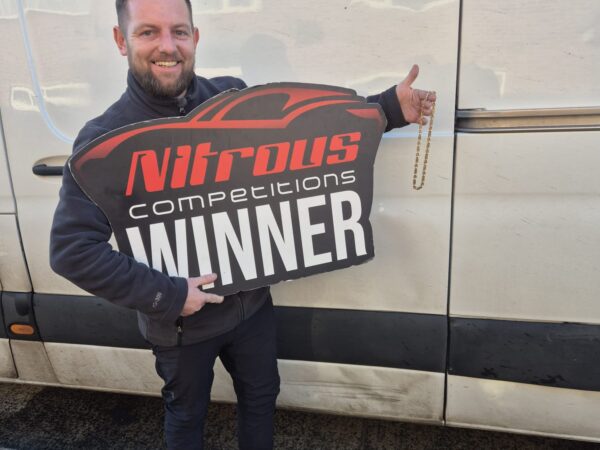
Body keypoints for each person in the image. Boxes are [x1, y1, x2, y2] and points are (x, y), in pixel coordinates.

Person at [49, 0, 436, 448]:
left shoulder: (232, 99)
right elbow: (72, 251)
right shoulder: (104, 139)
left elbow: (308, 139)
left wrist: (388, 109)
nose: (167, 46)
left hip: (251, 309)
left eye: (179, 31)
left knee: (261, 398)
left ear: (195, 37)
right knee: (187, 417)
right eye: (148, 32)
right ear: (121, 40)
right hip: (180, 326)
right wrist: (169, 296)